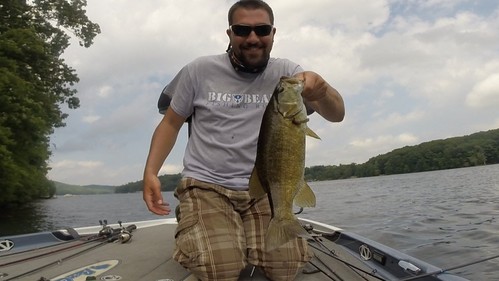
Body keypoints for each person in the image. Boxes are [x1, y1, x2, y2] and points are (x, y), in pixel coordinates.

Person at [143, 0, 345, 280]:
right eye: (242, 30)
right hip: (207, 185)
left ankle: (238, 235)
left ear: (273, 33)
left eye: (261, 30)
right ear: (230, 34)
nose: (253, 38)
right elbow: (170, 122)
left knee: (285, 269)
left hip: (264, 187)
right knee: (220, 269)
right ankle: (199, 227)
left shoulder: (287, 72)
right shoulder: (199, 70)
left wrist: (322, 90)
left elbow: (337, 115)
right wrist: (151, 172)